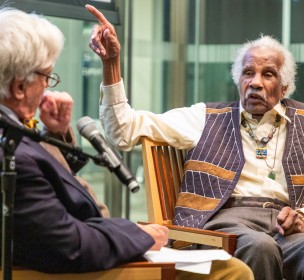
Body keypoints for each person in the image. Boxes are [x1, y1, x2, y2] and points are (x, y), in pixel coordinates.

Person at [86, 4, 304, 280]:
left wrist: (303, 217)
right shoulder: (205, 117)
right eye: (248, 73)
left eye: (268, 74)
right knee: (260, 247)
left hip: (282, 231)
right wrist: (111, 65)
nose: (255, 83)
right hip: (223, 226)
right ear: (238, 80)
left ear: (284, 87)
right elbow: (123, 130)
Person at [0, 6, 253, 280]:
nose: (49, 87)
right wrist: (137, 234)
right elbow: (67, 245)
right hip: (75, 265)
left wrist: (56, 133)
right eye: (47, 76)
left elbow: (51, 194)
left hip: (93, 246)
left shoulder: (16, 135)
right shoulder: (12, 153)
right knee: (231, 272)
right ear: (19, 88)